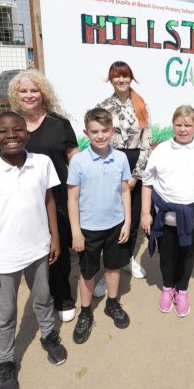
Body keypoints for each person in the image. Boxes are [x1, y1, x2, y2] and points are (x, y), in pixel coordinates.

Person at [0, 112, 68, 389]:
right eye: (3, 131)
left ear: (27, 132)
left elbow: (49, 200)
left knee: (43, 298)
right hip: (3, 257)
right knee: (5, 313)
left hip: (38, 248)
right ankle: (6, 362)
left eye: (17, 130)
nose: (11, 136)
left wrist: (55, 237)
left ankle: (48, 335)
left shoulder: (42, 163)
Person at [0, 69, 79, 322]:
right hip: (18, 203)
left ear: (43, 92)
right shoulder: (7, 125)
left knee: (59, 251)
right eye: (23, 91)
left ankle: (63, 296)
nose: (29, 95)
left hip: (55, 200)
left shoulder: (59, 123)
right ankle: (42, 300)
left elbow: (73, 159)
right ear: (15, 94)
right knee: (28, 251)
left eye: (34, 90)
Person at [140, 105, 194, 317]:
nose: (183, 129)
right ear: (173, 125)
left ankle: (182, 290)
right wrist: (145, 213)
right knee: (167, 256)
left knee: (187, 256)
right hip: (165, 219)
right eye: (178, 124)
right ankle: (168, 288)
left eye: (188, 125)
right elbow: (147, 183)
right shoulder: (161, 150)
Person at [67, 108, 132, 344]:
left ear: (112, 131)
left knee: (114, 267)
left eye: (105, 130)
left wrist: (127, 221)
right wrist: (76, 232)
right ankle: (85, 312)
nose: (100, 135)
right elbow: (72, 198)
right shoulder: (79, 161)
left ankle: (112, 303)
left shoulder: (121, 158)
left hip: (115, 225)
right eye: (95, 131)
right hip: (88, 229)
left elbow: (125, 190)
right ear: (86, 133)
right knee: (88, 271)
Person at [92, 61, 152, 298]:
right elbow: (100, 140)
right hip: (112, 163)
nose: (121, 80)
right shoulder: (104, 107)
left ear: (131, 78)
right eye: (116, 77)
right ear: (110, 79)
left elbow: (147, 142)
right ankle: (110, 270)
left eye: (125, 76)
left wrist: (136, 175)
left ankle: (126, 259)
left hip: (137, 161)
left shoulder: (142, 104)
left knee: (133, 215)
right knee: (113, 219)